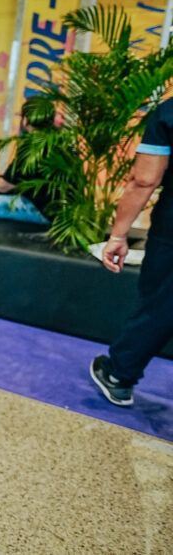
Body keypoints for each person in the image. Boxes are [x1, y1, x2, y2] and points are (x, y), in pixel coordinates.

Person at [91, 99, 173, 407]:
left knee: (161, 305)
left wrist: (118, 235)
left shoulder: (169, 112)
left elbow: (145, 179)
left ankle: (118, 376)